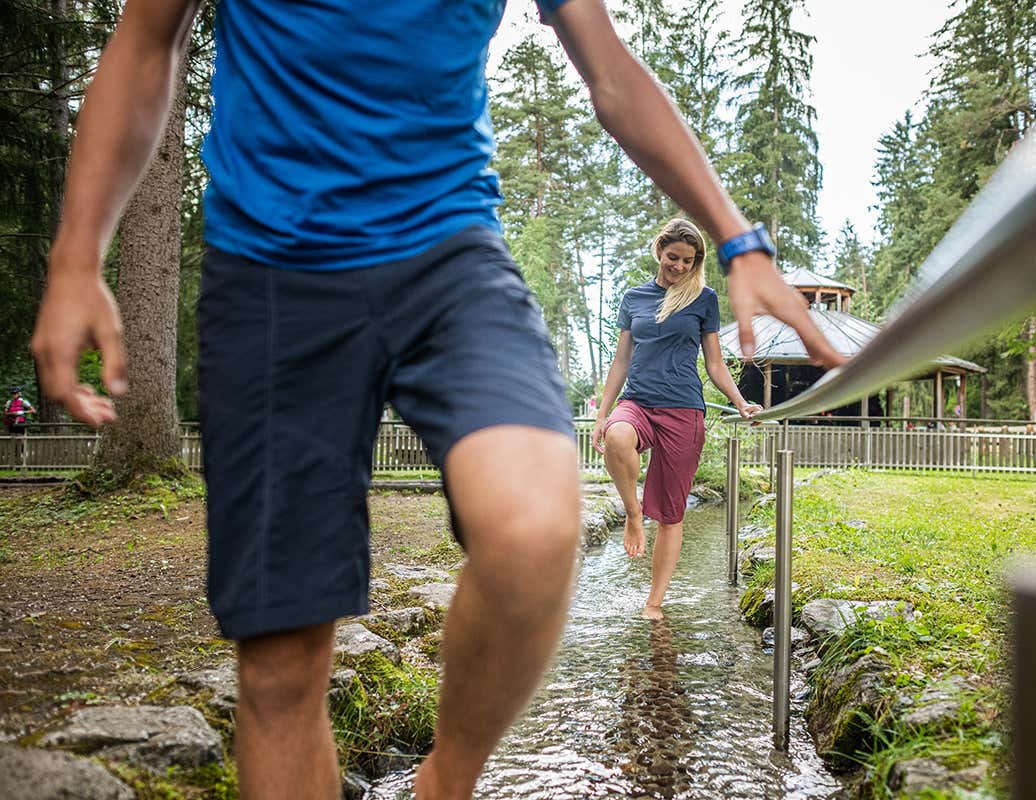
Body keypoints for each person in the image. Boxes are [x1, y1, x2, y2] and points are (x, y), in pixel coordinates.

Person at [30, 1, 845, 798]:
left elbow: (609, 71)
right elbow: (147, 39)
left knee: (535, 531)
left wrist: (737, 237)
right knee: (280, 668)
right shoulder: (637, 299)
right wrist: (76, 257)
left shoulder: (684, 295)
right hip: (273, 268)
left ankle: (445, 782)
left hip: (449, 257)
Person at [591, 219, 841, 621]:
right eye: (673, 257)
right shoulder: (633, 298)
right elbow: (621, 360)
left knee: (672, 517)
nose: (679, 266)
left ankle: (654, 603)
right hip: (637, 401)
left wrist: (742, 403)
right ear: (659, 251)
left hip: (683, 409)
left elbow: (714, 362)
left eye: (688, 261)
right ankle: (634, 515)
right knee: (619, 438)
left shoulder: (703, 299)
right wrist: (603, 413)